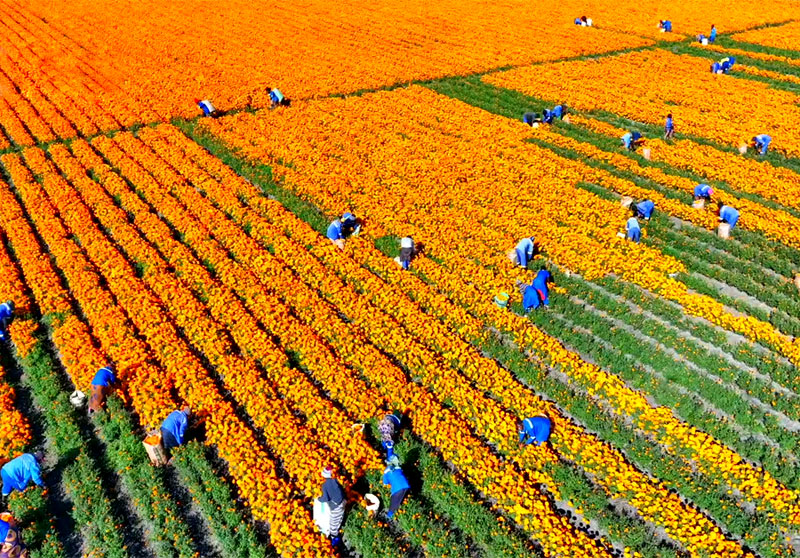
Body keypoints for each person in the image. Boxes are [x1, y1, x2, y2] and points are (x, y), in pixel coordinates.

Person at [317, 466, 345, 547]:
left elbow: (325, 498)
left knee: (334, 522)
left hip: (337, 505)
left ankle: (335, 538)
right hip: (342, 500)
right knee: (338, 515)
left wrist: (319, 499)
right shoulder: (334, 480)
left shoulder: (325, 485)